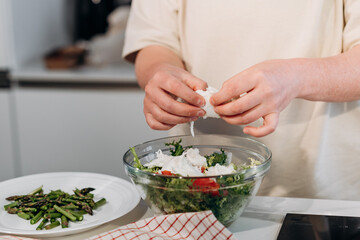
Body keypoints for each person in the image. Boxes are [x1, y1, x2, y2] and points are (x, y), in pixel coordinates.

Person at [122, 0, 360, 200]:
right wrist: (160, 73)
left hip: (322, 189)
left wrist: (295, 77)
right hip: (192, 178)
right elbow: (154, 42)